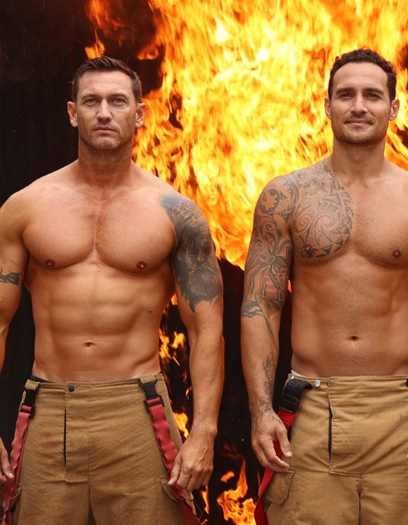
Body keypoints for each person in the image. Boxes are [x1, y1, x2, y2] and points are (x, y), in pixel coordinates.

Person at [241, 48, 408, 525]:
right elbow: (260, 305)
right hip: (312, 407)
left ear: (394, 107)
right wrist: (261, 411)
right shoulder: (286, 196)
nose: (358, 105)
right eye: (345, 95)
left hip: (401, 411)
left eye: (372, 95)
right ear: (326, 107)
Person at [0, 56, 224, 525]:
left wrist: (204, 429)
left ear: (140, 114)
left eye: (117, 101)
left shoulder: (175, 213)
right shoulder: (25, 207)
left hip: (137, 411)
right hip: (49, 407)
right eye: (92, 101)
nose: (104, 112)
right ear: (71, 112)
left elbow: (206, 330)